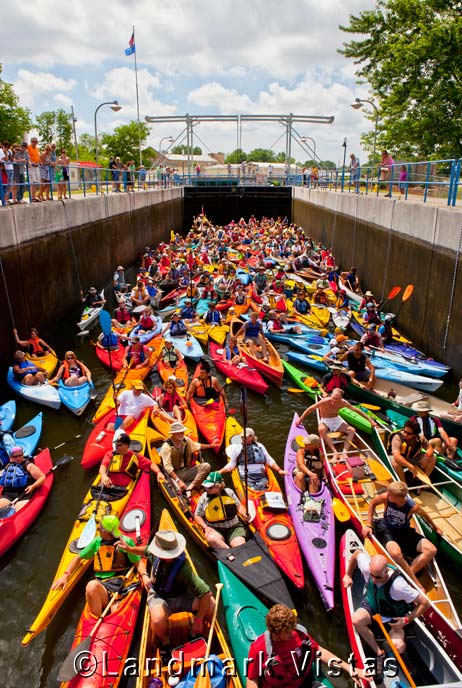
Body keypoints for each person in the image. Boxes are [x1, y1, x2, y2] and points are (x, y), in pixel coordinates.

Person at [118, 528, 214, 643]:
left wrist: (199, 619)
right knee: (157, 620)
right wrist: (130, 549)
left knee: (211, 604)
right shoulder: (154, 553)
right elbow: (145, 551)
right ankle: (166, 641)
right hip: (160, 595)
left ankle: (196, 633)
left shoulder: (184, 569)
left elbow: (205, 593)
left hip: (182, 596)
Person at [343, 551, 428, 675]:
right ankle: (379, 653)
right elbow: (356, 554)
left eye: (378, 577)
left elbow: (425, 603)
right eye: (371, 575)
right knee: (356, 620)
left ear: (386, 571)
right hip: (372, 607)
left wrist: (405, 620)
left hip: (393, 618)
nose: (374, 580)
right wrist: (348, 575)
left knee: (398, 646)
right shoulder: (368, 567)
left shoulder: (399, 586)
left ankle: (404, 660)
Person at [246, 604, 365, 688]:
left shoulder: (298, 633)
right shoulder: (259, 648)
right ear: (274, 632)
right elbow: (252, 678)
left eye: (292, 628)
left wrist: (350, 668)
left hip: (304, 683)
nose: (292, 633)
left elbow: (318, 651)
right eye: (287, 632)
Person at [51, 515, 146, 617]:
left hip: (122, 585)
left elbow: (138, 562)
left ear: (105, 532)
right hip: (103, 585)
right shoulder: (97, 542)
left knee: (116, 612)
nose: (98, 528)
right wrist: (66, 575)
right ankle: (97, 617)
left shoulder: (126, 542)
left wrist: (145, 576)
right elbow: (78, 558)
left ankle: (114, 613)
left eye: (100, 526)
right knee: (91, 586)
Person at [362, 480, 441, 587]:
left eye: (391, 495)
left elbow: (424, 514)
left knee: (431, 550)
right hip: (387, 529)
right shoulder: (386, 497)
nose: (387, 495)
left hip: (404, 531)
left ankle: (407, 576)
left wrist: (435, 527)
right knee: (396, 554)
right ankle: (411, 578)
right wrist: (368, 523)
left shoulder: (413, 507)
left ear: (399, 497)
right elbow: (373, 503)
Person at [297, 388, 377, 459]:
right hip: (325, 420)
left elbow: (357, 411)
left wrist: (371, 421)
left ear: (341, 398)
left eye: (337, 399)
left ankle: (344, 453)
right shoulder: (325, 401)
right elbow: (310, 409)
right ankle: (335, 452)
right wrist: (300, 419)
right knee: (321, 430)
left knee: (352, 430)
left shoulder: (343, 403)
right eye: (333, 398)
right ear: (331, 396)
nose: (334, 401)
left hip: (336, 420)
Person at [194, 471, 249, 549]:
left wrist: (244, 514)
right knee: (211, 539)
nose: (206, 489)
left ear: (218, 486)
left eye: (210, 487)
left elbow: (239, 506)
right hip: (216, 529)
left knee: (240, 543)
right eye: (205, 487)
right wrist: (205, 527)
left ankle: (236, 549)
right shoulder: (204, 498)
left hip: (233, 527)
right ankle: (229, 551)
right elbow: (197, 516)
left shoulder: (229, 492)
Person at [221, 427, 287, 490]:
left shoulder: (260, 446)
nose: (242, 438)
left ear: (251, 437)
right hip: (246, 476)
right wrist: (220, 471)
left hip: (261, 476)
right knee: (254, 490)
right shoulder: (238, 448)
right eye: (241, 437)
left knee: (264, 489)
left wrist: (279, 470)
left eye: (245, 437)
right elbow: (232, 464)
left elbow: (269, 460)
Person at [158, 421, 215, 493]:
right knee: (177, 490)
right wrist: (178, 481)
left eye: (182, 432)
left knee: (206, 466)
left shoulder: (185, 440)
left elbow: (197, 446)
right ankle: (189, 486)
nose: (182, 434)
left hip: (187, 469)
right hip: (176, 473)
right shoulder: (166, 447)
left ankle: (191, 486)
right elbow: (168, 468)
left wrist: (211, 446)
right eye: (179, 432)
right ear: (173, 433)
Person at [0, 446, 46, 517]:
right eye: (15, 456)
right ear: (11, 457)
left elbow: (42, 477)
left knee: (16, 515)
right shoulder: (9, 465)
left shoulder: (28, 465)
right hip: (8, 494)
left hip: (24, 494)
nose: (18, 458)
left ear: (22, 455)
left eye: (20, 455)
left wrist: (32, 486)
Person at [27, 137, 41, 202]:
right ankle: (32, 198)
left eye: (35, 141)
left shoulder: (37, 149)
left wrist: (39, 162)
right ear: (31, 141)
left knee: (37, 182)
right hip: (31, 167)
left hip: (37, 167)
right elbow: (27, 156)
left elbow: (38, 157)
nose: (34, 143)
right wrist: (31, 162)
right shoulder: (28, 147)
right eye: (33, 141)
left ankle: (34, 197)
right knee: (33, 182)